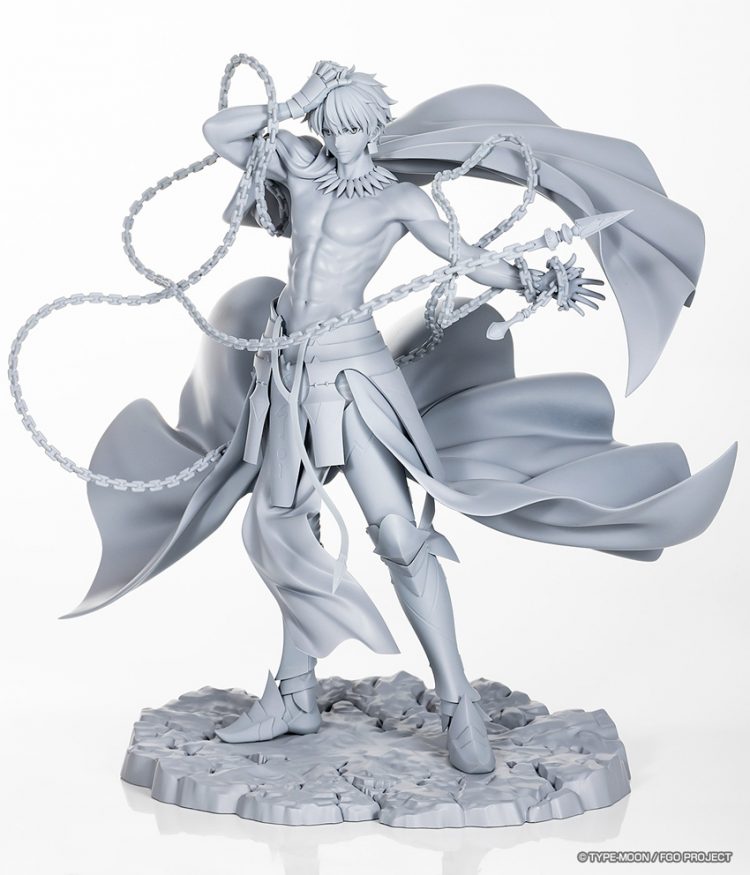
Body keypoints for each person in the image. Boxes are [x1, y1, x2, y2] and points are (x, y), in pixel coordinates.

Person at [66, 61, 736, 775]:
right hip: (286, 367)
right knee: (283, 526)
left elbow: (466, 258)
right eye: (329, 126)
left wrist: (534, 279)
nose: (339, 140)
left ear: (373, 127)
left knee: (399, 537)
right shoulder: (302, 167)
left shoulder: (400, 200)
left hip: (352, 373)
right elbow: (221, 131)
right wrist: (298, 99)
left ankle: (458, 703)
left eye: (350, 128)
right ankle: (293, 694)